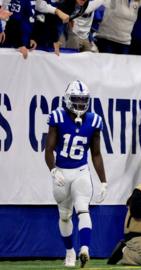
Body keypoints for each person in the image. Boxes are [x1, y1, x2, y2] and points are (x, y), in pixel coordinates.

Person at [44, 80, 107, 268]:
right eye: (76, 99)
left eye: (83, 99)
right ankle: (70, 251)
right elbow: (49, 149)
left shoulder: (94, 120)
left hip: (81, 171)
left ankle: (85, 248)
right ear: (67, 99)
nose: (80, 103)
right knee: (64, 215)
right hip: (62, 171)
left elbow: (96, 153)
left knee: (83, 209)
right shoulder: (58, 117)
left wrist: (104, 181)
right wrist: (54, 170)